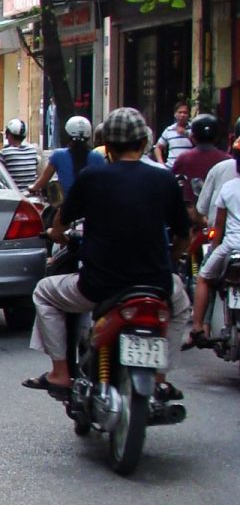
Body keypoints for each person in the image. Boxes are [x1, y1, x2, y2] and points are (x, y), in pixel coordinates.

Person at [22, 107, 192, 396]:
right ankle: (160, 377)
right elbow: (184, 236)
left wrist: (57, 234)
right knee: (181, 307)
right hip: (156, 284)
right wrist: (171, 262)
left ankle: (61, 373)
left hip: (98, 286)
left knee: (44, 292)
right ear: (143, 144)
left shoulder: (92, 177)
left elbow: (61, 220)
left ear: (107, 147)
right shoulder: (163, 179)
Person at [186, 128, 240, 345]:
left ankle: (198, 327)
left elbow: (218, 225)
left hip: (231, 246)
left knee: (204, 278)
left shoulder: (228, 187)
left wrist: (215, 249)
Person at [30, 115, 94, 201]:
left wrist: (32, 188)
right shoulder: (97, 156)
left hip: (67, 207)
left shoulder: (58, 155)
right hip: (93, 208)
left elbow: (42, 183)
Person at [0, 117, 42, 190]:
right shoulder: (32, 150)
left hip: (14, 195)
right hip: (31, 194)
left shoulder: (5, 153)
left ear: (9, 134)